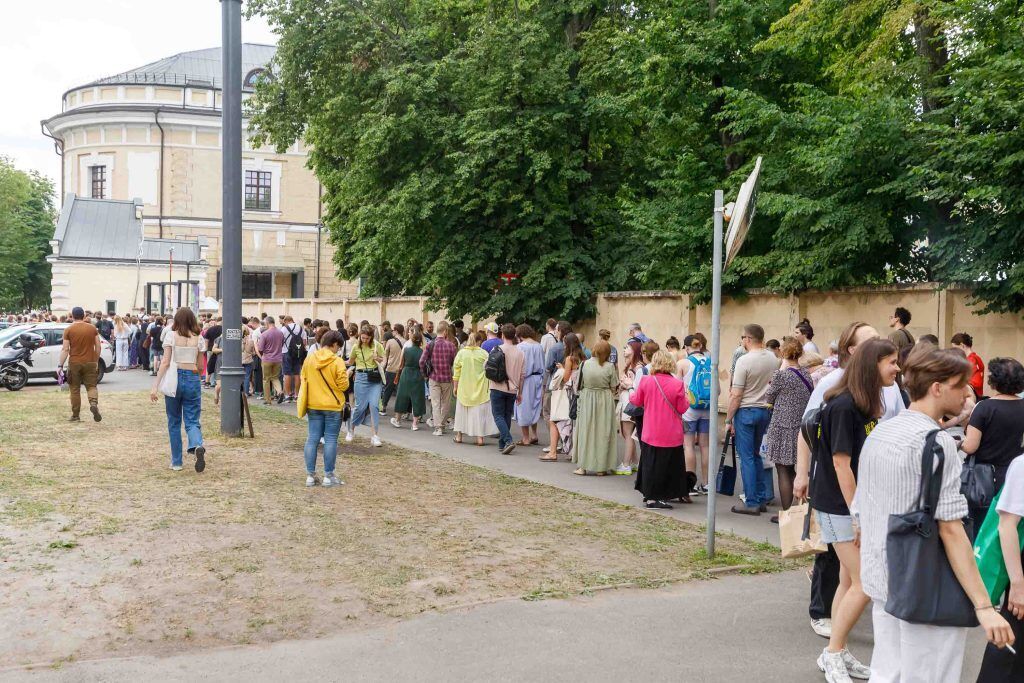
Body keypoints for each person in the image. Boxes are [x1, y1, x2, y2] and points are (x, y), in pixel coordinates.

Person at [856, 346, 1013, 683]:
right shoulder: (936, 443)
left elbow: (862, 507)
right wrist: (984, 606)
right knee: (931, 674)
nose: (968, 391)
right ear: (937, 388)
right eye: (961, 384)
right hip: (926, 583)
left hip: (884, 577)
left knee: (888, 672)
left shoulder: (881, 432)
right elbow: (951, 529)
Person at [809, 338, 900, 682]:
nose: (897, 368)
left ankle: (838, 650)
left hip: (850, 507)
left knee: (849, 581)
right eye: (891, 361)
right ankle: (832, 655)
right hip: (838, 507)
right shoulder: (845, 406)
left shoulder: (862, 404)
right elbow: (841, 464)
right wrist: (858, 514)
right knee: (866, 583)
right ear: (871, 365)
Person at [960, 357, 1024, 533]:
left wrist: (958, 443)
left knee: (983, 529)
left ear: (994, 381)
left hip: (985, 480)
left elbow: (971, 446)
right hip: (1016, 476)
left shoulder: (984, 408)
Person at [977, 455, 1024, 681]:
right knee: (1010, 651)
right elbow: (1006, 526)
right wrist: (1017, 584)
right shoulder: (1022, 465)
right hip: (1021, 575)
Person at [726, 324, 780, 515]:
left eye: (743, 337)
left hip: (746, 410)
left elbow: (736, 394)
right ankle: (762, 496)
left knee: (747, 457)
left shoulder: (744, 361)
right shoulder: (773, 359)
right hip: (764, 410)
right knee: (756, 455)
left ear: (747, 339)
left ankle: (751, 501)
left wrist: (728, 418)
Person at [630, 350, 690, 508]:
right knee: (670, 465)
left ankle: (651, 495)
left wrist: (630, 389)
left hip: (651, 431)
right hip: (672, 433)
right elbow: (683, 408)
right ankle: (667, 493)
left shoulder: (646, 381)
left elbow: (636, 400)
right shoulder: (678, 384)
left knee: (651, 465)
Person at [150, 307, 207, 473]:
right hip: (192, 378)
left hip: (174, 378)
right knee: (192, 420)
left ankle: (176, 462)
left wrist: (155, 386)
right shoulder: (199, 338)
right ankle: (197, 445)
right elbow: (201, 366)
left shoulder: (171, 335)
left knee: (174, 421)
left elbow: (166, 362)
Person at [763, 339, 813, 521]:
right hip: (800, 427)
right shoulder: (806, 374)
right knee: (797, 471)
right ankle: (801, 513)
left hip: (782, 427)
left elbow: (769, 396)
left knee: (783, 470)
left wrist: (782, 367)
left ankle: (787, 516)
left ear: (783, 353)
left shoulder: (781, 376)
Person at [298, 330, 349, 487]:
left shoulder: (310, 359)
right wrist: (348, 374)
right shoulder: (337, 361)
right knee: (331, 439)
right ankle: (329, 475)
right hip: (333, 406)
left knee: (312, 438)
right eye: (338, 347)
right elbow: (344, 385)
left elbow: (304, 378)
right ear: (334, 344)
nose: (338, 350)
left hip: (313, 404)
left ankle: (310, 476)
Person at [571, 340, 619, 475]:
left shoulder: (584, 364)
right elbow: (614, 385)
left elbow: (579, 385)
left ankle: (583, 466)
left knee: (585, 431)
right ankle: (601, 467)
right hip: (605, 399)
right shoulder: (610, 366)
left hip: (587, 398)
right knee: (603, 432)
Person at [678, 333, 713, 494]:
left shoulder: (683, 363)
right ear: (700, 346)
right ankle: (706, 484)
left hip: (689, 409)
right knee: (705, 446)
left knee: (689, 445)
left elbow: (677, 388)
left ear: (686, 348)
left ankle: (689, 485)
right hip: (707, 408)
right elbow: (717, 390)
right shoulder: (712, 362)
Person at [452, 331, 497, 446]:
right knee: (478, 414)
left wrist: (455, 386)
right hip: (480, 387)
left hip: (464, 387)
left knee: (462, 412)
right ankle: (480, 438)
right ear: (479, 341)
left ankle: (459, 436)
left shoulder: (461, 353)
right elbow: (489, 369)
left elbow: (456, 372)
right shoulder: (484, 354)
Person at [58, 306, 102, 422]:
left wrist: (60, 365)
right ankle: (93, 403)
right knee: (92, 386)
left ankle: (76, 415)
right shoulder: (92, 329)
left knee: (75, 389)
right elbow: (98, 346)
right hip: (90, 362)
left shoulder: (68, 330)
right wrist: (95, 360)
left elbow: (65, 349)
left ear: (72, 316)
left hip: (75, 363)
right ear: (83, 316)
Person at [489, 323, 525, 455]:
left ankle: (508, 440)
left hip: (497, 386)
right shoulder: (520, 352)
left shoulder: (497, 349)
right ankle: (502, 443)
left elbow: (487, 366)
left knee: (498, 415)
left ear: (502, 335)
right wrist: (520, 392)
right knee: (506, 415)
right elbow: (522, 375)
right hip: (513, 388)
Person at [346, 326, 385, 447]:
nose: (364, 340)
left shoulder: (377, 345)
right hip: (361, 377)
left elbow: (384, 360)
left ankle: (375, 436)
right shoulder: (356, 347)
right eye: (362, 338)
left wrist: (377, 358)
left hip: (374, 378)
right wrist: (337, 361)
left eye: (367, 338)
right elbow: (351, 362)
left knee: (374, 406)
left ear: (371, 337)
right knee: (360, 407)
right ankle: (351, 429)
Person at [420, 321, 458, 436]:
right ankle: (441, 424)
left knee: (436, 403)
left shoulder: (430, 344)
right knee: (446, 404)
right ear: (446, 331)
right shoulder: (451, 346)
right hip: (447, 378)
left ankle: (438, 428)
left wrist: (425, 374)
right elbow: (453, 362)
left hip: (434, 377)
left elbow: (422, 361)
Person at [614, 340, 645, 474]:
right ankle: (634, 462)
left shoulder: (638, 367)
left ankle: (626, 463)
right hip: (625, 399)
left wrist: (627, 384)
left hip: (630, 401)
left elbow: (638, 386)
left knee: (628, 434)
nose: (624, 349)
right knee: (626, 433)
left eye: (627, 347)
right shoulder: (629, 365)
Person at [513, 324, 545, 446]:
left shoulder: (521, 347)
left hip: (526, 380)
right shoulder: (538, 346)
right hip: (538, 378)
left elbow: (520, 366)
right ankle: (534, 434)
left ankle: (526, 438)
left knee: (523, 406)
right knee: (534, 406)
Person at [392, 330, 428, 431]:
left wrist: (398, 374)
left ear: (412, 339)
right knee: (417, 398)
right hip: (418, 375)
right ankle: (415, 423)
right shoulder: (422, 352)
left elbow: (400, 364)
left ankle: (398, 420)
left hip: (406, 373)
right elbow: (424, 365)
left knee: (402, 396)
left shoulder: (406, 350)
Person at [257, 320, 285, 405]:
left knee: (266, 379)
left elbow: (260, 348)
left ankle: (268, 400)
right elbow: (282, 344)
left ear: (267, 323)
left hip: (267, 359)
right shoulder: (280, 333)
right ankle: (280, 392)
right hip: (278, 359)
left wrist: (263, 355)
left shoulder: (264, 334)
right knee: (275, 377)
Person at [951, 332, 985, 398]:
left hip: (972, 395)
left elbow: (971, 381)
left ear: (962, 345)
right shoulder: (975, 358)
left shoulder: (971, 359)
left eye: (955, 348)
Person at [381, 323, 406, 414]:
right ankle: (400, 411)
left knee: (388, 389)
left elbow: (385, 356)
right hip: (401, 370)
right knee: (400, 391)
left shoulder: (390, 342)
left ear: (396, 331)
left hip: (390, 368)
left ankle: (383, 407)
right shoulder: (406, 342)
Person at [281, 316, 306, 402]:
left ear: (286, 321)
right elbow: (304, 343)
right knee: (297, 373)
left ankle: (288, 395)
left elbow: (281, 341)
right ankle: (297, 395)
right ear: (292, 320)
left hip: (286, 352)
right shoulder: (301, 329)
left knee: (287, 374)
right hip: (298, 353)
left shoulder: (284, 329)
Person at [241, 325, 256, 396]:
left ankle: (240, 391)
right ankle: (246, 392)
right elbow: (253, 352)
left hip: (239, 360)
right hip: (248, 360)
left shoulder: (238, 341)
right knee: (247, 377)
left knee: (240, 376)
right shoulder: (251, 341)